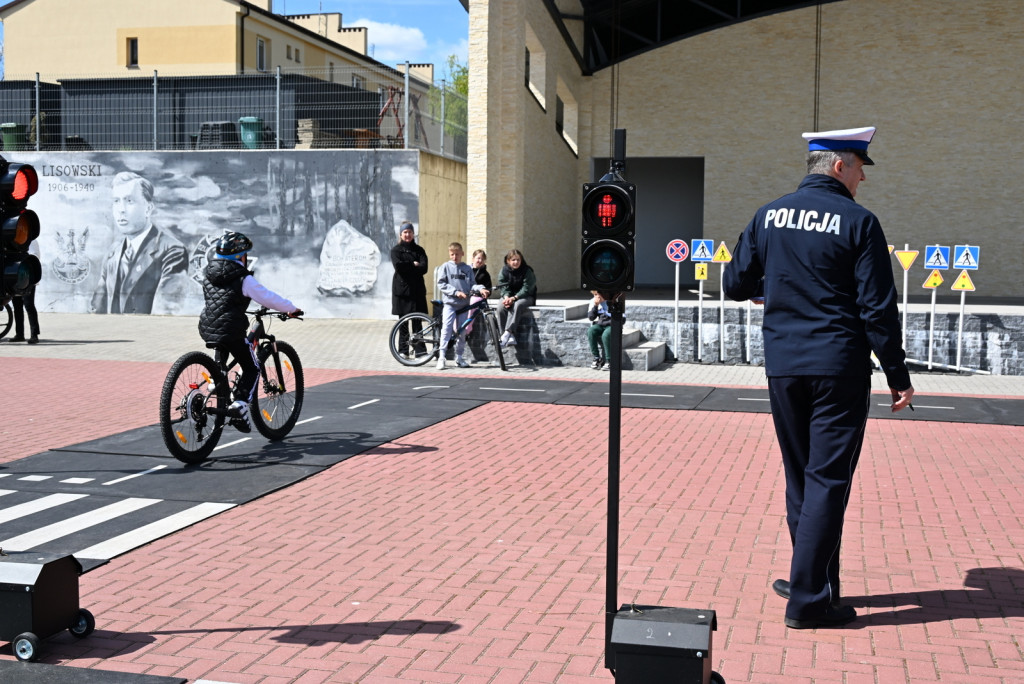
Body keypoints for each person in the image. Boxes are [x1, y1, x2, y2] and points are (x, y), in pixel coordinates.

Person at [723, 126, 914, 630]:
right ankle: (808, 599)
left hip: (784, 366)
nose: (861, 181)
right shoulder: (859, 222)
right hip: (839, 367)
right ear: (838, 166)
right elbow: (878, 308)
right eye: (858, 169)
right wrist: (897, 373)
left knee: (801, 478)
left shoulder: (769, 214)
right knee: (828, 480)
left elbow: (734, 283)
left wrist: (781, 281)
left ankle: (812, 580)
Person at [198, 231, 302, 432]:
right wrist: (290, 309)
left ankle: (217, 383)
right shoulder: (243, 279)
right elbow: (268, 297)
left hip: (207, 326)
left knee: (222, 357)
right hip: (231, 329)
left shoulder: (208, 274)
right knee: (252, 367)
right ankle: (239, 404)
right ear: (240, 257)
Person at [91, 171, 188, 314]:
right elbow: (97, 309)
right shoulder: (113, 252)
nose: (121, 210)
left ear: (148, 208)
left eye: (129, 201)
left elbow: (166, 311)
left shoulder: (172, 251)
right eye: (116, 201)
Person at [435, 241, 488, 370]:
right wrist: (455, 292)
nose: (455, 257)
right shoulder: (445, 267)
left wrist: (481, 289)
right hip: (450, 304)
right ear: (449, 254)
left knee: (462, 332)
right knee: (446, 329)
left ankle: (459, 357)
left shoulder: (467, 269)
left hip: (464, 305)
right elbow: (441, 283)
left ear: (462, 254)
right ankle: (442, 357)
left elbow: (472, 285)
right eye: (452, 254)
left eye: (457, 254)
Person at [390, 221, 429, 357]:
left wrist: (411, 267)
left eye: (410, 232)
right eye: (405, 232)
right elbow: (399, 267)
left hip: (417, 291)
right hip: (403, 293)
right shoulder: (396, 250)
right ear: (401, 234)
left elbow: (424, 268)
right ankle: (403, 351)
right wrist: (414, 264)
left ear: (413, 234)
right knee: (404, 322)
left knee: (417, 322)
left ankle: (420, 351)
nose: (408, 235)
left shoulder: (419, 250)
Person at [495, 249, 536, 348]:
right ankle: (508, 335)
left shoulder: (527, 270)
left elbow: (527, 288)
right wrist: (506, 297)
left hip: (525, 297)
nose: (516, 262)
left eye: (518, 260)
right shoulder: (504, 271)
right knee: (500, 307)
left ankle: (507, 333)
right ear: (508, 261)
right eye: (513, 260)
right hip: (509, 296)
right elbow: (503, 285)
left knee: (517, 305)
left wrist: (513, 298)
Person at [10, 240, 41, 344]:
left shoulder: (32, 241)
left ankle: (34, 334)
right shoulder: (16, 239)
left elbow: (34, 256)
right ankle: (19, 334)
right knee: (17, 306)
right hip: (16, 276)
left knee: (29, 305)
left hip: (28, 277)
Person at [586, 290, 614, 369]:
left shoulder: (612, 301)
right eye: (595, 295)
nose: (596, 297)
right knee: (591, 331)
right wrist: (595, 306)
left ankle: (609, 360)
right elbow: (591, 317)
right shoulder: (593, 301)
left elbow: (623, 319)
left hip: (612, 325)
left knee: (605, 335)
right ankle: (597, 358)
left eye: (598, 295)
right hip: (600, 324)